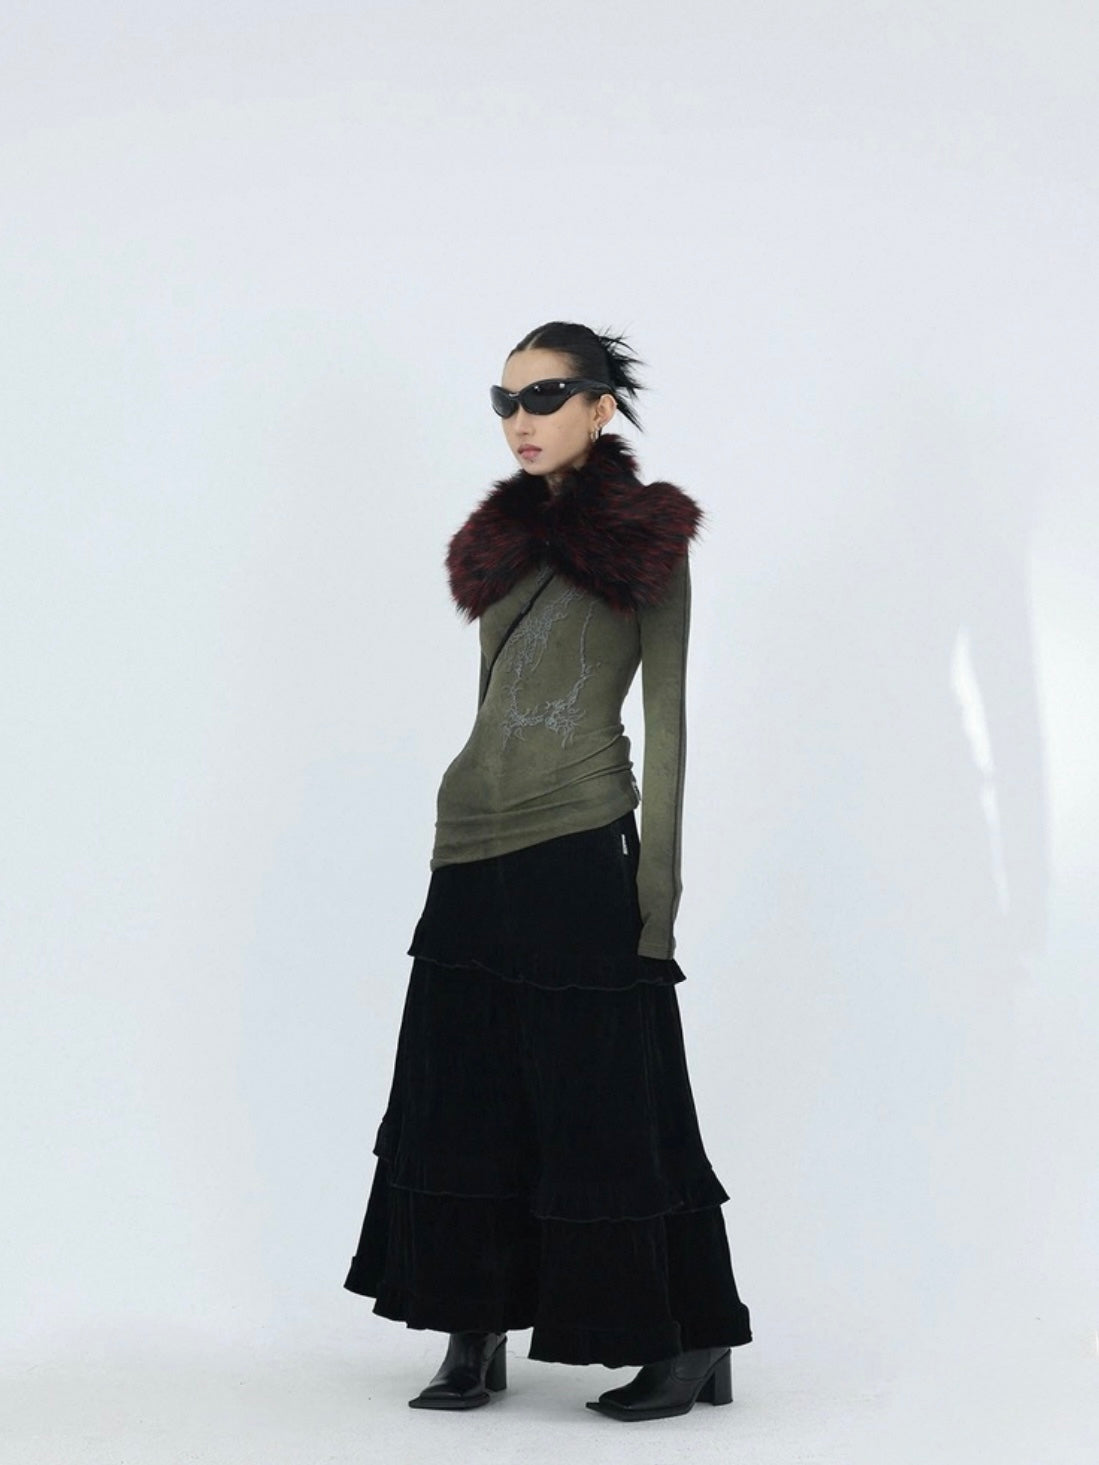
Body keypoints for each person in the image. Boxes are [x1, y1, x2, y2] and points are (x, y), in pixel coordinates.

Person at [343, 320, 753, 1421]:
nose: (520, 419)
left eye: (546, 395)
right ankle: (471, 1329)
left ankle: (693, 1335)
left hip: (578, 838)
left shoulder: (647, 541)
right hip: (470, 842)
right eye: (505, 400)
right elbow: (491, 702)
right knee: (460, 1088)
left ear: (600, 406)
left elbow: (667, 726)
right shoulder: (497, 542)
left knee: (609, 1096)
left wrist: (656, 903)